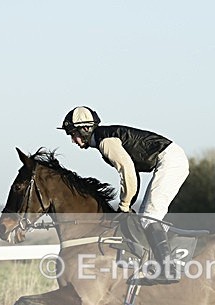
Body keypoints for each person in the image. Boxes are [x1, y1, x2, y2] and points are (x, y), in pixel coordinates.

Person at [59, 106, 189, 280]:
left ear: (85, 129)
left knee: (149, 217)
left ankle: (167, 269)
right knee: (146, 217)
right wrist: (126, 205)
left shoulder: (105, 141)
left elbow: (127, 171)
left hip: (171, 161)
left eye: (73, 134)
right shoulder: (103, 139)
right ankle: (157, 261)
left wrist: (124, 206)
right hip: (169, 159)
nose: (73, 140)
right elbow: (132, 174)